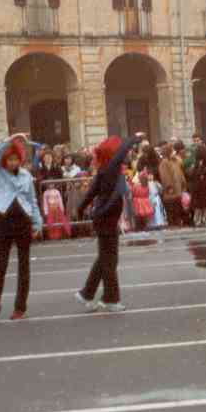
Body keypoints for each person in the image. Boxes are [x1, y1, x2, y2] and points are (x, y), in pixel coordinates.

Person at [75, 133, 144, 313]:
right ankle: (110, 299)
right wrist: (133, 138)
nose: (126, 155)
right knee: (110, 260)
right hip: (105, 219)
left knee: (105, 259)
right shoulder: (111, 169)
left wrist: (80, 209)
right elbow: (121, 153)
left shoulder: (105, 170)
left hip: (105, 218)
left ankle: (87, 293)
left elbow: (90, 193)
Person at [0, 133, 43, 324]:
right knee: (1, 266)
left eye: (15, 159)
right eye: (9, 159)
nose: (12, 162)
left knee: (24, 266)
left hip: (23, 221)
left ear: (20, 159)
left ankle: (20, 307)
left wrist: (37, 222)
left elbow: (32, 200)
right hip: (3, 222)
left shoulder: (27, 176)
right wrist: (12, 139)